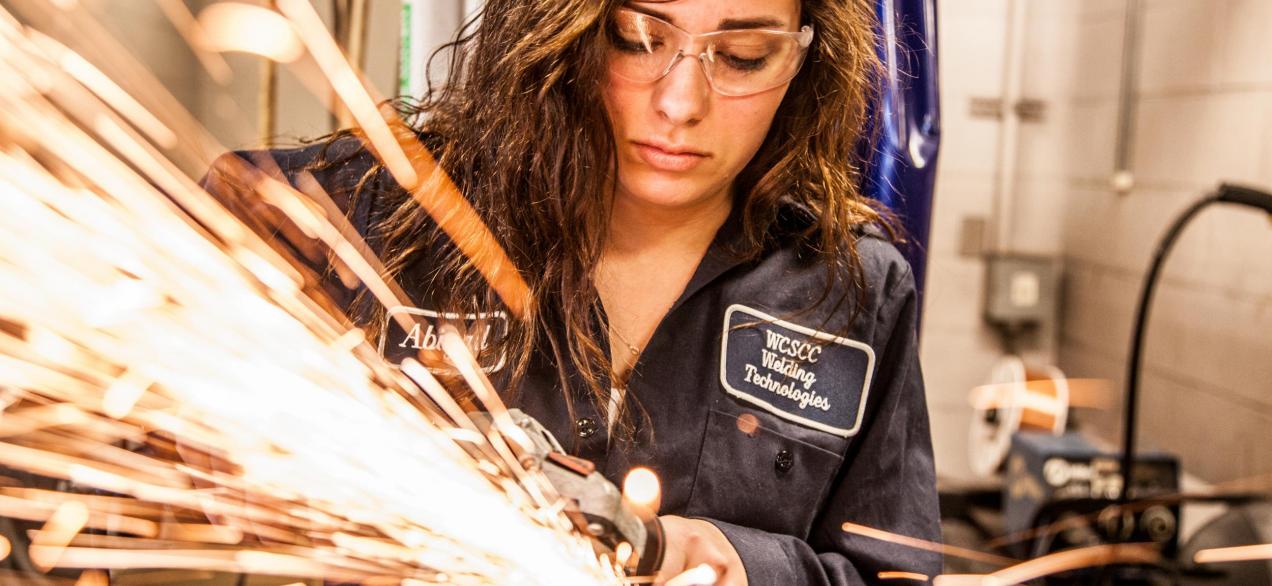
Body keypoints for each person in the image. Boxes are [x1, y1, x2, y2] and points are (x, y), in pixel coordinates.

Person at [203, 0, 941, 583]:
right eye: (637, 38)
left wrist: (737, 564)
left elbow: (892, 572)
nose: (681, 103)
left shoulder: (853, 291)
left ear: (805, 56)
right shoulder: (377, 217)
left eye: (744, 57)